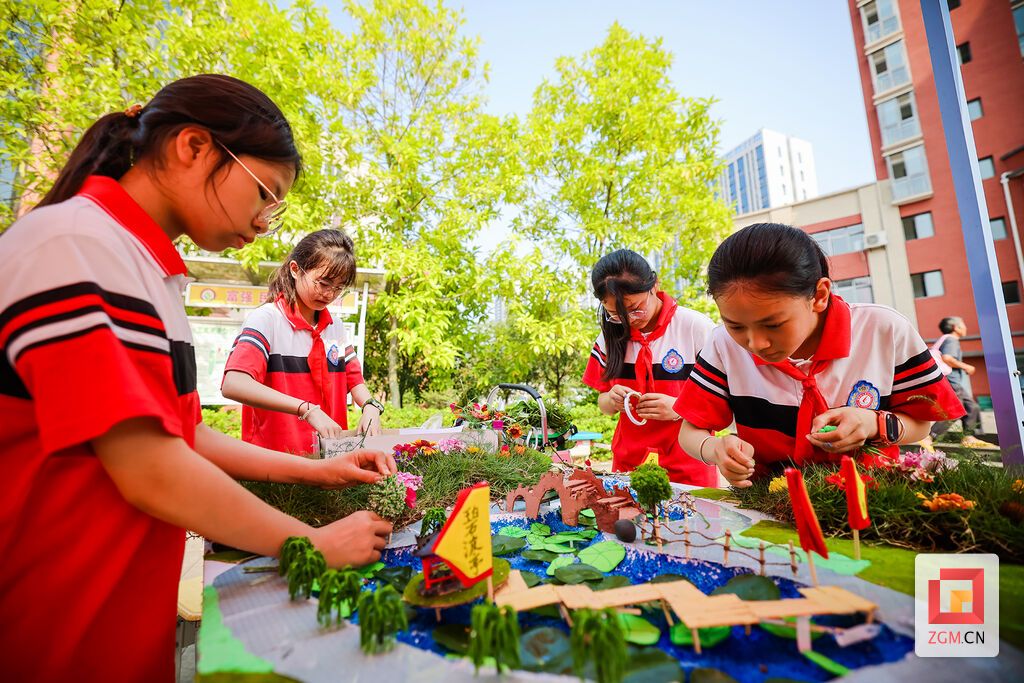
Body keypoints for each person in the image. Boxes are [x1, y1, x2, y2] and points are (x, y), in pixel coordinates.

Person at [0, 75, 395, 682]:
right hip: (49, 631)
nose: (265, 220)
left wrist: (317, 470)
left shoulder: (144, 267)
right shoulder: (78, 245)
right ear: (194, 147)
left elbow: (181, 435)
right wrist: (310, 545)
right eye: (265, 192)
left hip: (115, 625)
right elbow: (151, 468)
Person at [674, 223, 965, 488]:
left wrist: (873, 423)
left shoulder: (883, 330)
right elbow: (690, 432)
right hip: (769, 500)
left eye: (773, 324)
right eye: (735, 325)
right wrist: (715, 449)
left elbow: (921, 424)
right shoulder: (724, 344)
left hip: (875, 496)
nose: (756, 343)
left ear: (820, 295)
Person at [221, 229, 384, 454]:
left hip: (328, 457)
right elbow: (234, 384)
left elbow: (354, 380)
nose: (329, 294)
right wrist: (306, 409)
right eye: (323, 283)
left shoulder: (334, 327)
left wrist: (370, 406)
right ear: (296, 270)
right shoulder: (268, 319)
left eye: (338, 288)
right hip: (276, 461)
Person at [582, 249, 718, 485]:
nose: (629, 320)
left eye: (635, 308)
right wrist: (611, 400)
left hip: (688, 465)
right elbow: (603, 404)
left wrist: (679, 408)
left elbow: (720, 403)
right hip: (628, 466)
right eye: (615, 314)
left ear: (654, 285)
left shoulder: (696, 328)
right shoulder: (608, 338)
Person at [919, 317, 998, 450]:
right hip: (951, 380)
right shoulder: (951, 340)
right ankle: (929, 437)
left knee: (972, 407)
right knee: (956, 409)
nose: (965, 328)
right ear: (956, 327)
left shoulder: (944, 339)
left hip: (950, 380)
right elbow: (947, 358)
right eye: (963, 325)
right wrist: (966, 366)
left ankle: (969, 437)